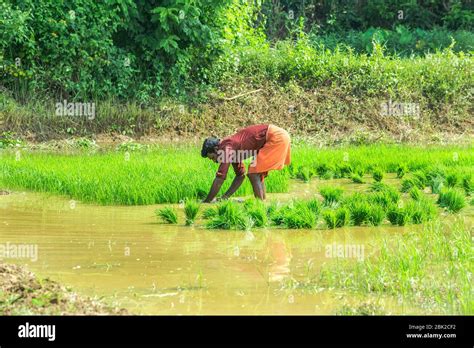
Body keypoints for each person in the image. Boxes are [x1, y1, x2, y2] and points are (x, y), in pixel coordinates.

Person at [201, 124, 291, 202]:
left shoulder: (226, 148)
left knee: (253, 173)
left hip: (276, 136)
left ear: (216, 149)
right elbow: (240, 176)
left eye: (213, 157)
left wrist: (207, 201)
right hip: (278, 135)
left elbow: (220, 177)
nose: (215, 161)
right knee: (257, 174)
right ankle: (263, 203)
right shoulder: (230, 150)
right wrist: (224, 198)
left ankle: (260, 206)